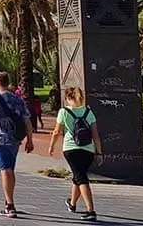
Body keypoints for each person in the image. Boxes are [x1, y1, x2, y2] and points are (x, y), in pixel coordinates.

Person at [0, 71, 34, 219]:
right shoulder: (17, 99)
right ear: (8, 83)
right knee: (10, 169)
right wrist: (30, 139)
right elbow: (27, 121)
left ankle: (10, 204)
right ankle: (9, 199)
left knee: (5, 170)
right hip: (14, 140)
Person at [48, 86, 102, 222]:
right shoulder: (88, 111)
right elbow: (96, 135)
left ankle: (91, 210)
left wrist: (51, 146)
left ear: (67, 98)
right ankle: (72, 203)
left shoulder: (64, 111)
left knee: (81, 178)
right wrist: (99, 152)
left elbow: (56, 132)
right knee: (78, 176)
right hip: (88, 150)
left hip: (71, 149)